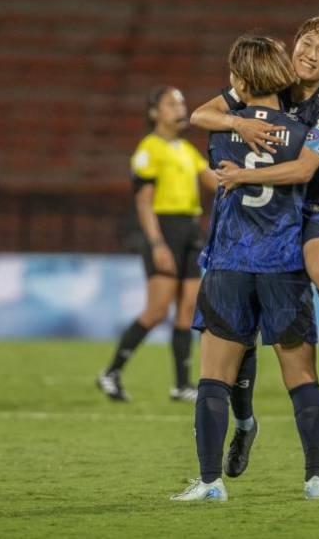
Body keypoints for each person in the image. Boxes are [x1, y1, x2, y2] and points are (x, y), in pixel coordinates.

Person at [190, 12, 319, 480]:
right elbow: (201, 113)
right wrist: (241, 123)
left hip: (307, 207)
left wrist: (243, 171)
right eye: (305, 43)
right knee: (241, 342)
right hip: (254, 236)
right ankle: (247, 425)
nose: (308, 54)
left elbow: (310, 173)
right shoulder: (275, 81)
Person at [171, 34, 319, 502]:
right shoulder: (305, 134)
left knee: (213, 380)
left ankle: (209, 482)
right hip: (284, 266)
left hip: (230, 265)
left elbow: (209, 123)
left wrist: (238, 119)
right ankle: (316, 480)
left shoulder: (223, 128)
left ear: (241, 80)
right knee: (302, 379)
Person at [97, 86, 218, 402]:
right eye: (171, 103)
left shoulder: (186, 150)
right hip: (163, 230)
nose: (179, 107)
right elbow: (143, 203)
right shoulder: (148, 150)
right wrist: (156, 243)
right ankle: (111, 372)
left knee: (188, 308)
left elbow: (218, 184)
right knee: (157, 309)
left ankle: (181, 385)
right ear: (154, 113)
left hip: (190, 230)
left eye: (181, 101)